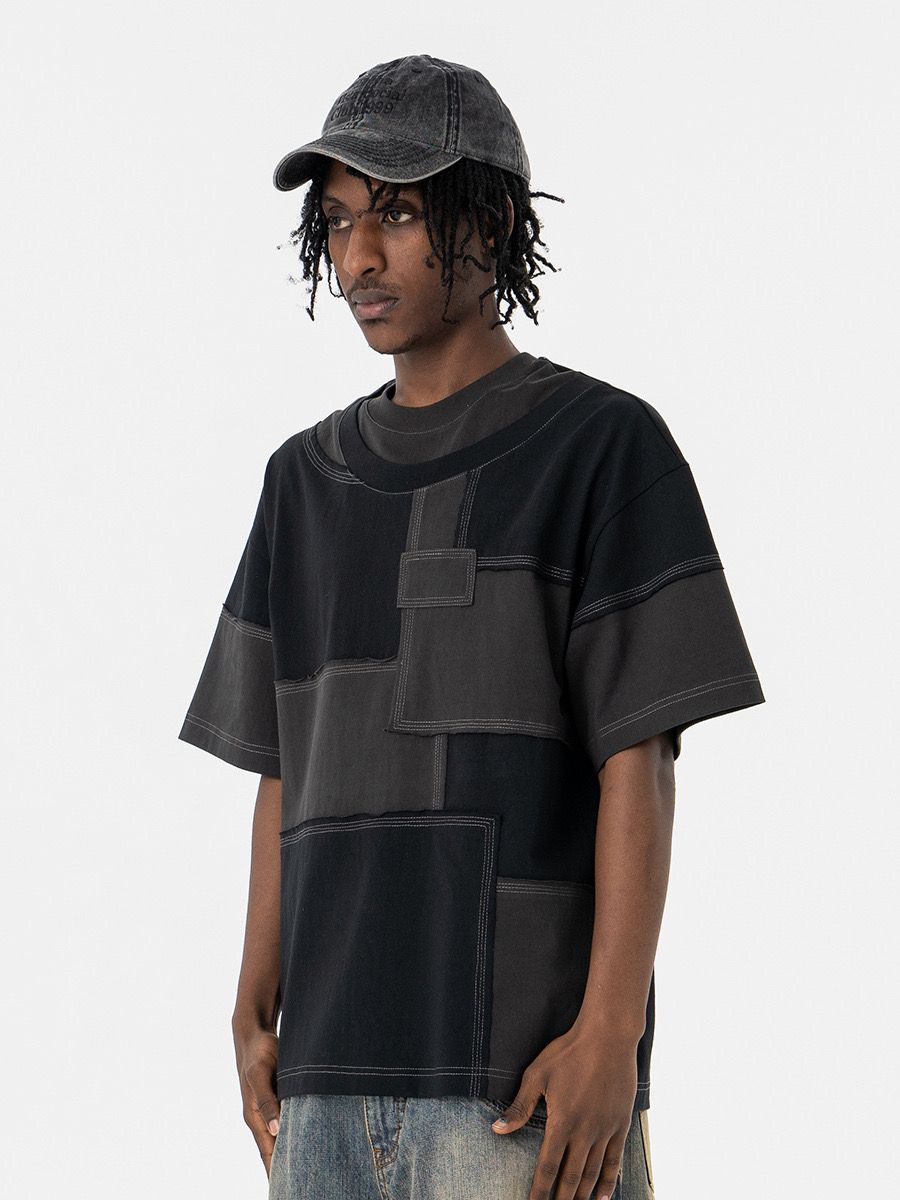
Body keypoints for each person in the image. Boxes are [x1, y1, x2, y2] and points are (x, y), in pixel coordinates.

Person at [178, 53, 765, 1200]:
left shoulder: (602, 449)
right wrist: (250, 1007)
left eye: (396, 214)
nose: (358, 255)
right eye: (337, 221)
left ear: (491, 220)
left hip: (518, 1098)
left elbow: (638, 759)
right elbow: (284, 768)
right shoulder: (301, 483)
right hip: (321, 1094)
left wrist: (612, 1035)